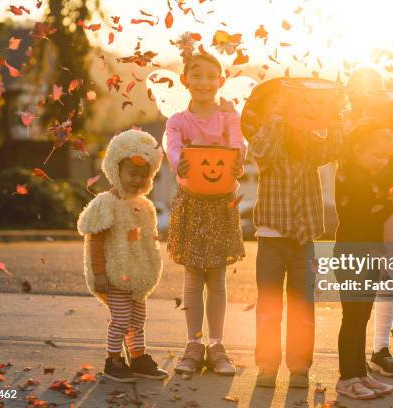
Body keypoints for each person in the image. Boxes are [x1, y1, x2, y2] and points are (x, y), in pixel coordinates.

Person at [241, 77, 344, 389]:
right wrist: (279, 114)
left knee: (303, 306)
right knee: (270, 307)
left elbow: (334, 148)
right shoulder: (268, 143)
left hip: (304, 242)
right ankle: (268, 366)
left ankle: (299, 366)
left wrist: (335, 115)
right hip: (271, 240)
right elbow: (260, 151)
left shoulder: (310, 144)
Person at [165, 52, 246, 376]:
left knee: (217, 278)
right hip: (192, 201)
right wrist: (177, 162)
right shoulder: (178, 121)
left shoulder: (228, 118)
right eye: (196, 75)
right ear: (185, 80)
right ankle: (193, 344)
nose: (203, 82)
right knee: (193, 276)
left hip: (220, 203)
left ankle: (216, 345)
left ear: (221, 81)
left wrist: (239, 156)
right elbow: (172, 148)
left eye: (211, 76)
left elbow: (239, 144)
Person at [345, 67, 393, 377]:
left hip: (392, 205)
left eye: (374, 89)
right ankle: (354, 352)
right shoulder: (348, 124)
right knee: (359, 279)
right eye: (361, 89)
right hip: (360, 210)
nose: (367, 94)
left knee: (387, 274)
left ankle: (380, 349)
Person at [77, 129, 168, 382]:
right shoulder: (106, 203)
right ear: (115, 170)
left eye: (143, 175)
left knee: (138, 318)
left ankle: (138, 357)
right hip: (115, 276)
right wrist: (99, 274)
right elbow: (95, 239)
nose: (137, 180)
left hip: (137, 277)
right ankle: (113, 359)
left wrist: (149, 267)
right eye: (132, 174)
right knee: (120, 319)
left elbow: (146, 241)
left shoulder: (144, 206)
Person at [333, 118, 393, 399]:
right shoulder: (349, 175)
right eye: (376, 154)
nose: (382, 161)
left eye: (386, 156)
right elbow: (363, 212)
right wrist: (390, 198)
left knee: (362, 316)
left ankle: (360, 372)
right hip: (351, 254)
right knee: (352, 317)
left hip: (371, 253)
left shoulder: (371, 177)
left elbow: (379, 211)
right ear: (358, 150)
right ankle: (346, 378)